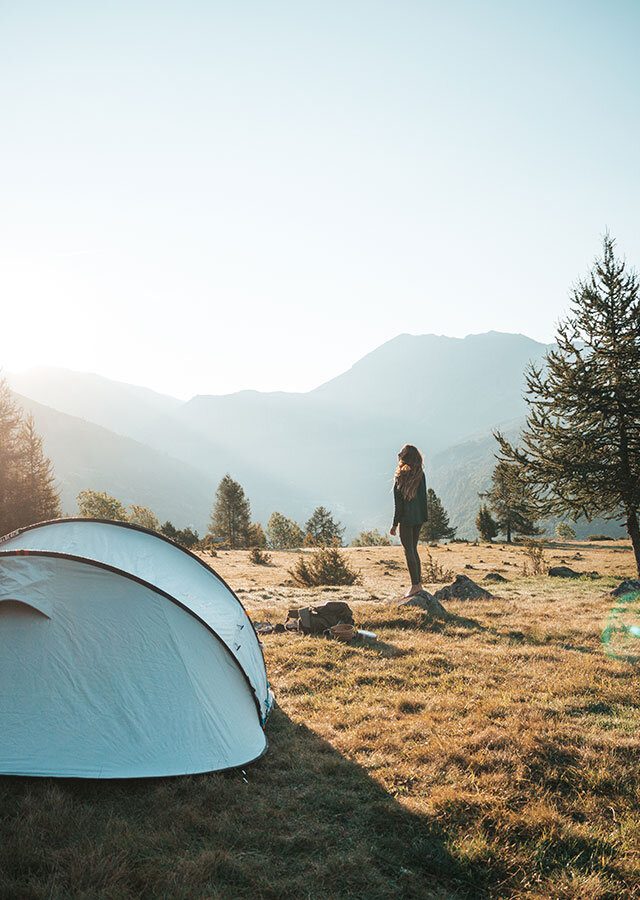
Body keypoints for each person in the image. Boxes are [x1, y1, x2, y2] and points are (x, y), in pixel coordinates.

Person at [389, 444, 428, 598]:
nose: (399, 454)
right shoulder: (420, 474)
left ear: (405, 457)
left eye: (401, 453)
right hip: (418, 518)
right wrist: (423, 517)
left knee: (408, 551)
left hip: (406, 519)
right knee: (414, 549)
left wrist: (394, 524)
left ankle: (415, 586)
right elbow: (423, 498)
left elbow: (398, 504)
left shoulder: (401, 476)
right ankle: (418, 584)